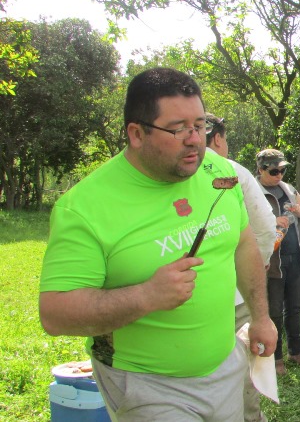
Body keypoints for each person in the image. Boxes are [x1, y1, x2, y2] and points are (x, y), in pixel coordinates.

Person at [38, 68, 277, 422]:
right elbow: (55, 313)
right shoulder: (85, 207)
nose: (194, 140)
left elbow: (243, 245)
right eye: (178, 129)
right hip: (147, 385)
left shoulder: (218, 173)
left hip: (224, 368)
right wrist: (146, 296)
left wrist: (260, 317)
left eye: (199, 126)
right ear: (137, 133)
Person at [206, 114, 276, 422]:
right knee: (244, 368)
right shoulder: (231, 171)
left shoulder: (160, 171)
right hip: (236, 297)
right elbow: (266, 227)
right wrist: (257, 265)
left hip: (184, 303)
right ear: (218, 139)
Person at [256, 148, 300, 375]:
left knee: (295, 307)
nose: (279, 175)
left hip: (295, 257)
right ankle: (276, 358)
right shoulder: (253, 192)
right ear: (261, 170)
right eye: (274, 171)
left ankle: (296, 352)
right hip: (272, 261)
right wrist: (272, 221)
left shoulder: (289, 189)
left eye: (282, 170)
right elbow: (246, 225)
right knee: (274, 311)